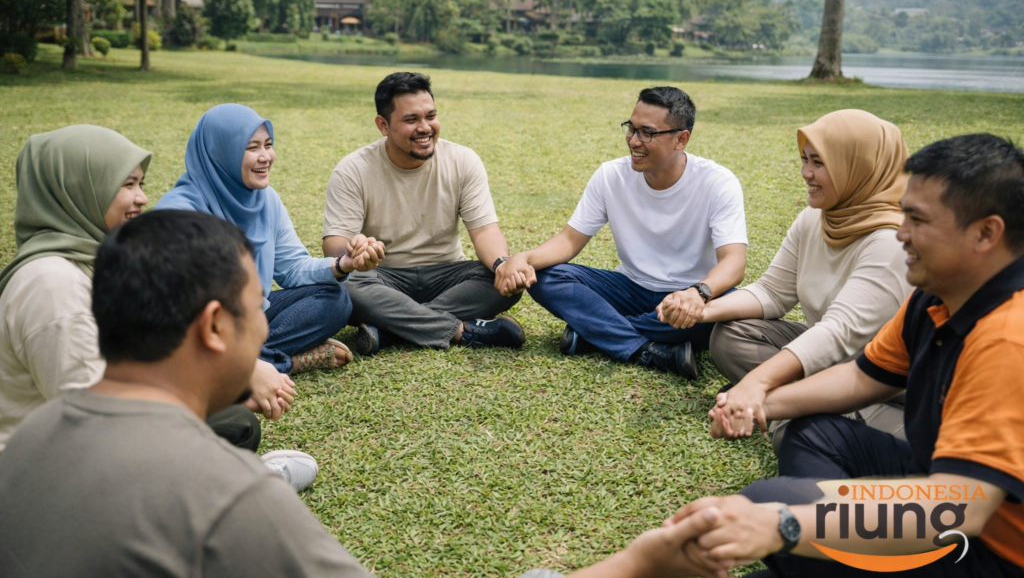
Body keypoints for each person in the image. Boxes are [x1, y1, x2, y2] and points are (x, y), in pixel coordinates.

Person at [0, 208, 737, 578]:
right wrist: (633, 564)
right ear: (216, 326)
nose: (271, 319)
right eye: (262, 304)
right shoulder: (222, 496)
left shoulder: (33, 436)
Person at [678, 134, 1024, 578]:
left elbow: (958, 510)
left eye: (917, 221)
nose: (900, 233)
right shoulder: (936, 297)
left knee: (772, 502)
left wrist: (786, 526)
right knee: (814, 429)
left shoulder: (1008, 339)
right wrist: (759, 402)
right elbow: (861, 380)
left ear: (985, 233)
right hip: (936, 483)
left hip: (992, 555)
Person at [0, 125, 315, 488]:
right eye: (127, 185)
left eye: (141, 184)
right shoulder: (52, 285)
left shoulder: (89, 260)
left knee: (234, 423)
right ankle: (232, 485)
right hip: (44, 473)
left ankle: (217, 477)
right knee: (229, 425)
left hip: (87, 438)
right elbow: (96, 422)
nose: (142, 199)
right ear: (79, 187)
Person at [686, 110, 912, 447]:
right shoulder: (815, 218)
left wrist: (757, 383)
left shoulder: (892, 242)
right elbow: (772, 292)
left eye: (819, 162)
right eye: (805, 159)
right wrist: (700, 309)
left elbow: (838, 333)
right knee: (730, 334)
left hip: (894, 386)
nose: (805, 173)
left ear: (858, 165)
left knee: (802, 435)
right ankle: (798, 406)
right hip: (836, 362)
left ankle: (791, 411)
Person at [497, 87, 747, 379]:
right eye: (631, 128)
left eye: (647, 133)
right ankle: (646, 348)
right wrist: (524, 258)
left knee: (732, 307)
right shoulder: (611, 176)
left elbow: (734, 262)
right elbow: (568, 241)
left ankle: (595, 331)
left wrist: (699, 293)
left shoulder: (717, 183)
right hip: (629, 288)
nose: (633, 141)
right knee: (545, 276)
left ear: (681, 139)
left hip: (687, 297)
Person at [157, 103, 381, 381]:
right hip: (201, 327)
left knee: (335, 299)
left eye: (268, 145)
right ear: (220, 153)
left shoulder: (266, 200)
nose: (266, 157)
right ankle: (283, 363)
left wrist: (342, 264)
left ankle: (244, 362)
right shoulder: (179, 213)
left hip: (250, 317)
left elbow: (292, 267)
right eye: (252, 148)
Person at [323, 72, 525, 355]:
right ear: (383, 125)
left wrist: (503, 263)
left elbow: (484, 231)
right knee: (349, 284)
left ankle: (390, 328)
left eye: (430, 116)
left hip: (446, 278)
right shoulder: (353, 169)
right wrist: (354, 253)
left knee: (503, 280)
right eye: (411, 120)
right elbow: (334, 246)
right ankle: (460, 331)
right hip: (382, 278)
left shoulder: (463, 160)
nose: (425, 128)